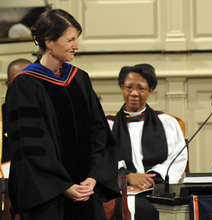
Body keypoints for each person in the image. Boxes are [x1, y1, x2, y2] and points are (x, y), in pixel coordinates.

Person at [5, 9, 119, 220]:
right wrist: (63, 187)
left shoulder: (79, 79)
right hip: (49, 200)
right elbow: (30, 148)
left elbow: (99, 132)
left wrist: (94, 177)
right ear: (49, 42)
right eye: (70, 40)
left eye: (76, 39)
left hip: (87, 192)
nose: (76, 45)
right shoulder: (25, 84)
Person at [107, 64, 188, 220]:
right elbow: (103, 159)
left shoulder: (167, 122)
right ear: (122, 88)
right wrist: (127, 176)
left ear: (150, 90)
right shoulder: (108, 125)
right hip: (122, 189)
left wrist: (152, 178)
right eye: (129, 87)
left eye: (141, 88)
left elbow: (178, 157)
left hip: (158, 187)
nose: (134, 93)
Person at [1, 58, 32, 164]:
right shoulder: (1, 117)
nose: (25, 88)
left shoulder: (49, 113)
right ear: (8, 84)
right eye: (18, 82)